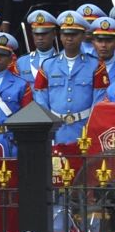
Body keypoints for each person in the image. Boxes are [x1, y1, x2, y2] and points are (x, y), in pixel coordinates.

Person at [33, 10, 108, 144]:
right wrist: (49, 128)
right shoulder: (47, 65)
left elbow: (99, 101)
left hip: (84, 129)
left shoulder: (95, 65)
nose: (69, 38)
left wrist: (91, 128)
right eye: (66, 34)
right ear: (60, 36)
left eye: (74, 34)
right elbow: (41, 100)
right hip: (56, 131)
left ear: (83, 36)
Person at [0, 33, 32, 155]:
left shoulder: (22, 84)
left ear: (10, 59)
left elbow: (27, 116)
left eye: (3, 55)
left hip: (10, 141)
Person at [17, 11, 58, 85]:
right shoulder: (22, 62)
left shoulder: (63, 61)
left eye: (44, 33)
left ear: (54, 34)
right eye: (36, 34)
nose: (40, 38)